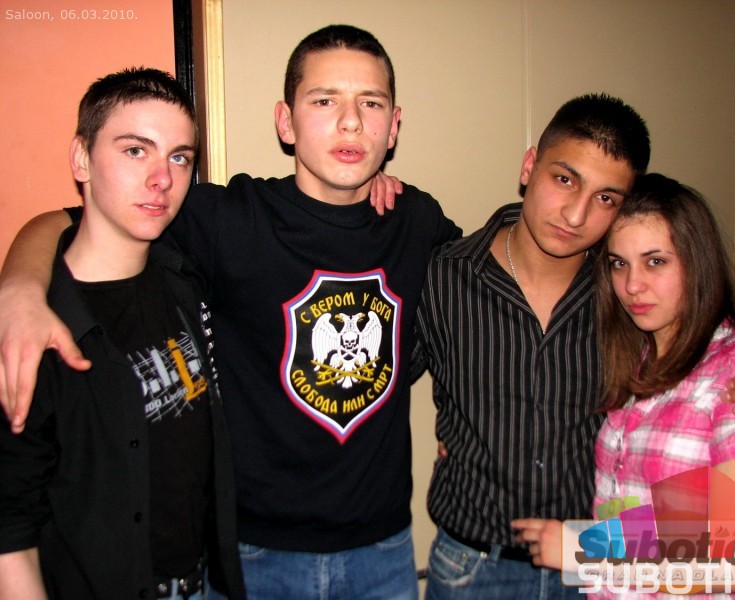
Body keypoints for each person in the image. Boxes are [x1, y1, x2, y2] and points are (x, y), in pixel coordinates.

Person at [0, 25, 460, 600]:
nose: (350, 123)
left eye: (370, 103)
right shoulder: (227, 219)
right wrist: (19, 287)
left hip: (383, 551)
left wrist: (465, 418)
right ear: (285, 122)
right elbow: (76, 219)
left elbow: (483, 299)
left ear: (393, 126)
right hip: (251, 555)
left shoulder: (415, 220)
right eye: (324, 101)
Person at [411, 94, 735, 600]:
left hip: (595, 571)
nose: (575, 214)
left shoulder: (627, 299)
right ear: (529, 166)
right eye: (564, 179)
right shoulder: (443, 277)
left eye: (606, 198)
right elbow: (372, 385)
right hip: (476, 564)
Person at [0, 68, 245, 600]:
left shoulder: (185, 275)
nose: (162, 179)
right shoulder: (36, 326)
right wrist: (19, 289)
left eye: (179, 157)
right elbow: (9, 533)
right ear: (81, 159)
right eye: (136, 150)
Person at [514, 173, 735, 599]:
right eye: (619, 263)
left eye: (655, 262)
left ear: (697, 261)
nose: (632, 285)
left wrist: (586, 549)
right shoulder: (637, 357)